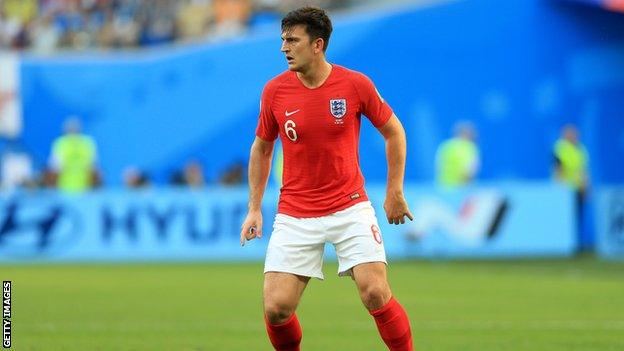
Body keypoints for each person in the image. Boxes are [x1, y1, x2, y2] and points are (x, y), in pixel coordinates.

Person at [239, 7, 414, 351]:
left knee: (375, 292)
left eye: (292, 40)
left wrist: (394, 191)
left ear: (317, 44)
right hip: (295, 213)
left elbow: (394, 132)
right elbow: (261, 148)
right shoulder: (275, 91)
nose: (283, 48)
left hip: (349, 208)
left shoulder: (355, 84)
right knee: (276, 309)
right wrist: (254, 208)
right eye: (282, 40)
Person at [553, 124, 590, 250]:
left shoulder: (580, 149)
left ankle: (576, 244)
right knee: (566, 218)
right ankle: (564, 244)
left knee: (577, 217)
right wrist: (560, 187)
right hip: (566, 190)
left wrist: (586, 187)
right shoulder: (560, 148)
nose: (573, 136)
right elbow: (558, 168)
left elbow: (583, 170)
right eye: (570, 134)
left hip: (578, 188)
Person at [48, 117, 99, 192]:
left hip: (64, 190)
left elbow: (54, 170)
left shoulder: (61, 143)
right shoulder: (88, 143)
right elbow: (93, 170)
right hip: (83, 191)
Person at [435, 121, 479, 187]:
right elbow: (470, 170)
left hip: (444, 187)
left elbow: (438, 167)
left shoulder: (445, 146)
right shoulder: (470, 147)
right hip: (462, 188)